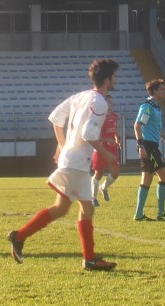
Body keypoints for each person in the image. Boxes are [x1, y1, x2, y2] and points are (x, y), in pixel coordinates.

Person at [7, 59, 120, 271]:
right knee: (85, 208)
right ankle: (89, 259)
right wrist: (108, 155)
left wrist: (62, 145)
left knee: (62, 208)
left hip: (71, 159)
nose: (116, 80)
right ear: (106, 79)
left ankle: (19, 236)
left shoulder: (80, 96)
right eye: (114, 76)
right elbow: (88, 134)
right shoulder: (100, 102)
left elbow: (56, 118)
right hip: (77, 162)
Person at [133, 79, 165, 221]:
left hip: (151, 146)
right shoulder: (147, 107)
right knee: (164, 176)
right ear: (154, 92)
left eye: (164, 89)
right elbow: (137, 126)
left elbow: (157, 130)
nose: (164, 91)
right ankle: (160, 213)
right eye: (162, 89)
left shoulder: (156, 107)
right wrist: (141, 146)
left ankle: (139, 215)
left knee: (146, 179)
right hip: (148, 146)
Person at [90, 93, 120, 206]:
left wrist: (117, 139)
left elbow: (115, 130)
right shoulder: (99, 117)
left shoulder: (114, 116)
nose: (111, 105)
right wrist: (107, 140)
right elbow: (95, 135)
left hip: (112, 148)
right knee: (98, 173)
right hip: (101, 148)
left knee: (115, 173)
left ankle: (104, 187)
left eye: (112, 102)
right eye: (109, 102)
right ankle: (94, 198)